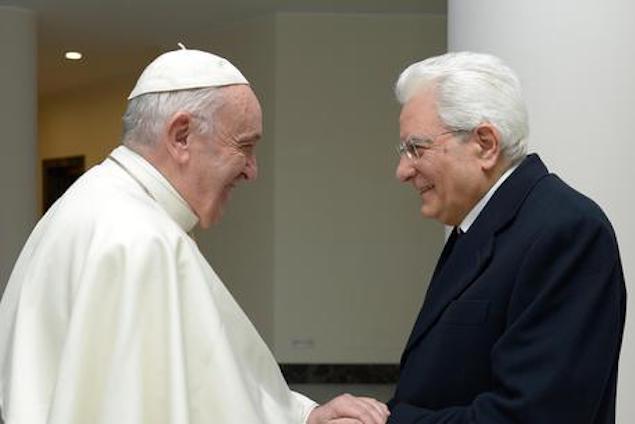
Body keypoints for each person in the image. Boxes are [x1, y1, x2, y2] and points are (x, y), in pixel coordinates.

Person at [0, 47, 389, 424]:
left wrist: (303, 415)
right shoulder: (141, 239)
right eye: (245, 146)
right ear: (181, 135)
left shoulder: (93, 203)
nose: (252, 170)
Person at [388, 51, 626, 423]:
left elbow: (535, 416)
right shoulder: (477, 227)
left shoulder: (567, 232)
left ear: (484, 143)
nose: (403, 170)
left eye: (416, 148)